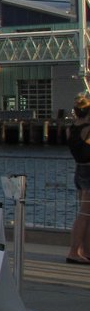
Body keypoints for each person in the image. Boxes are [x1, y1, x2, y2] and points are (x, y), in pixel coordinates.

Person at [66, 94, 90, 264]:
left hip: (79, 169)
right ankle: (74, 252)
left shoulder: (71, 128)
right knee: (83, 214)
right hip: (89, 172)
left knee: (86, 214)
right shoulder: (87, 129)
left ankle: (85, 251)